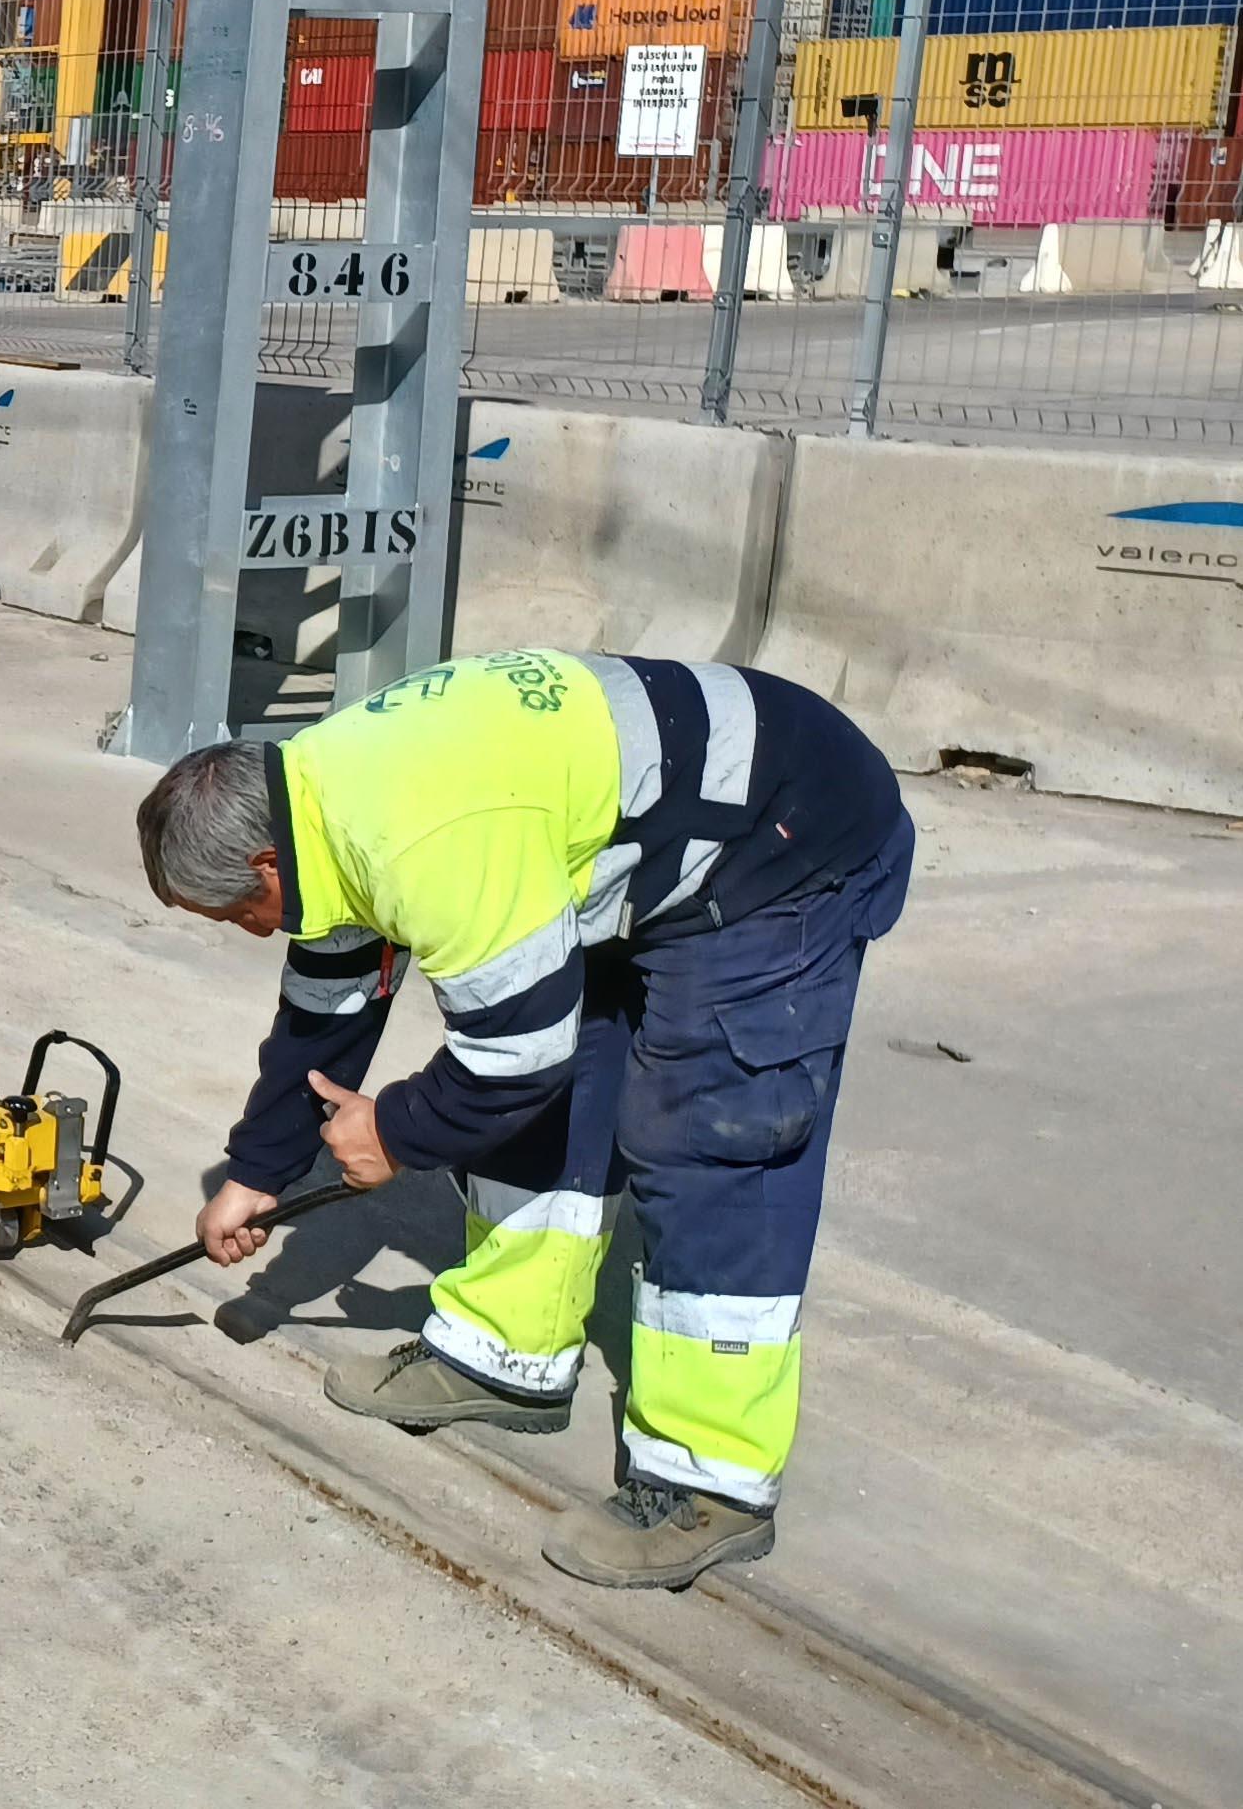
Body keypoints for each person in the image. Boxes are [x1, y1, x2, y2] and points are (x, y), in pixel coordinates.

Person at [134, 649, 914, 1590]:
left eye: (235, 913)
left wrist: (394, 1134)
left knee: (712, 1140)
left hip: (785, 842)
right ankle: (507, 1355)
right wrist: (260, 1170)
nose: (248, 932)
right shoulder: (315, 808)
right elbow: (328, 1007)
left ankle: (712, 1484)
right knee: (560, 1079)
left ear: (265, 860)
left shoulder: (420, 842)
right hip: (647, 837)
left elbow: (511, 1060)